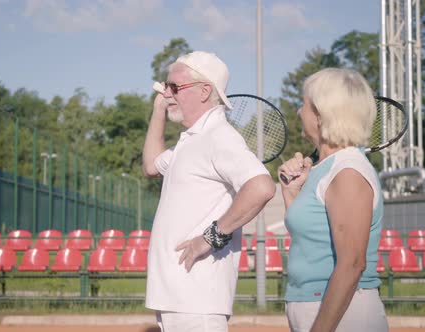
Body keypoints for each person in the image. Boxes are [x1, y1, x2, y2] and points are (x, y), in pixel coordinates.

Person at [142, 51, 276, 332]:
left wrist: (210, 238)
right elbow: (152, 166)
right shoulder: (192, 139)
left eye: (174, 87)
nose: (167, 93)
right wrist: (159, 110)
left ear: (205, 91)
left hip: (197, 298)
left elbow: (261, 187)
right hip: (179, 295)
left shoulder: (218, 135)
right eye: (166, 86)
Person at [278, 68, 388, 332]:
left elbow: (352, 263)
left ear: (321, 114)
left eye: (303, 104)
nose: (298, 112)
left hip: (342, 315)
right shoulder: (324, 168)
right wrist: (291, 192)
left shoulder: (348, 171)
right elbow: (311, 238)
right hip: (317, 307)